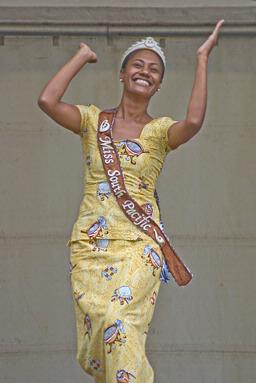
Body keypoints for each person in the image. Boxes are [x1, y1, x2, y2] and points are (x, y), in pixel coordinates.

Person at [38, 20, 224, 383]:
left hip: (140, 244)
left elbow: (195, 121)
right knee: (101, 330)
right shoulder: (93, 121)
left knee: (120, 322)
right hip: (91, 246)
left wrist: (202, 58)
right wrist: (81, 56)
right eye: (138, 64)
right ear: (122, 74)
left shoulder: (158, 132)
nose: (145, 71)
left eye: (154, 69)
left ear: (159, 84)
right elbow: (47, 100)